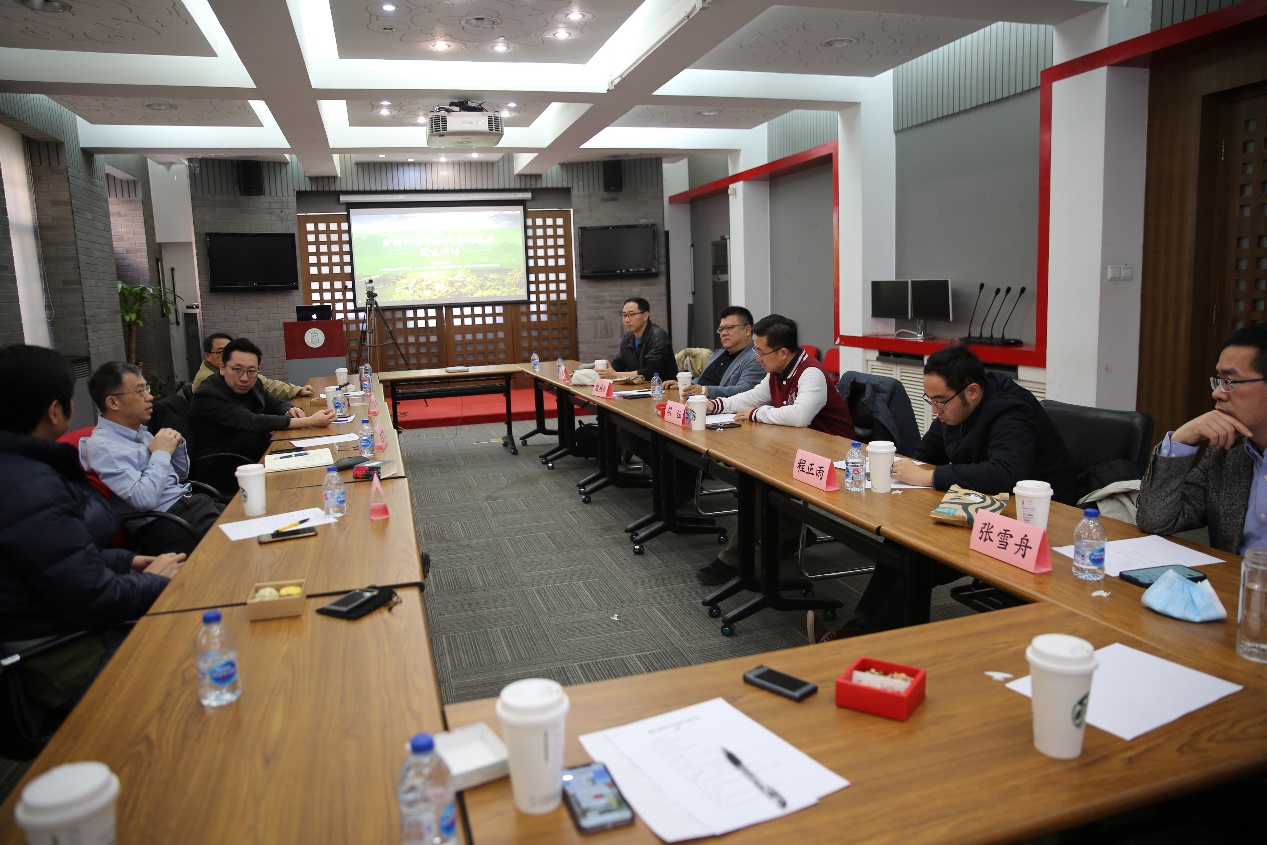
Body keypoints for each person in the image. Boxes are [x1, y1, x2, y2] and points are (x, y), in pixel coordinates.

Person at [811, 343, 1077, 641]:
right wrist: (900, 472)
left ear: (972, 391)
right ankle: (854, 631)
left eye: (940, 402)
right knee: (900, 543)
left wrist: (931, 477)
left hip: (1039, 520)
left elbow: (1006, 473)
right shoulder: (953, 409)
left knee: (918, 558)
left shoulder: (1011, 410)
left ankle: (859, 641)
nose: (935, 411)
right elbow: (926, 454)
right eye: (931, 401)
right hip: (982, 504)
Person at [0, 345, 184, 715]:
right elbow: (93, 598)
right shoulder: (30, 486)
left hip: (64, 626)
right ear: (55, 411)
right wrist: (153, 580)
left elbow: (58, 559)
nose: (148, 397)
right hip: (64, 655)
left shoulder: (23, 472)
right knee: (192, 651)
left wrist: (126, 561)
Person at [696, 314, 856, 586]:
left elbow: (800, 416)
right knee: (754, 475)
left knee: (760, 485)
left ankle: (734, 559)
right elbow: (751, 397)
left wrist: (757, 413)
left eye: (761, 352)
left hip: (834, 458)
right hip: (798, 448)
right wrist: (716, 405)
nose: (757, 358)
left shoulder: (811, 372)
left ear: (782, 352)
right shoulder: (776, 372)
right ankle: (788, 533)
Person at [1137, 323, 1267, 554]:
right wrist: (1180, 441)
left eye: (1230, 382)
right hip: (1231, 578)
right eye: (1219, 380)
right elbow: (1156, 520)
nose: (1217, 393)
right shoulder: (1227, 450)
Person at [79, 362, 224, 556]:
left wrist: (175, 447)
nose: (150, 397)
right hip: (169, 523)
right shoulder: (104, 447)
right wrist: (161, 453)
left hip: (191, 505)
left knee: (252, 519)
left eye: (146, 389)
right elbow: (143, 499)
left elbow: (179, 475)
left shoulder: (138, 432)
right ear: (113, 403)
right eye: (140, 392)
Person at [188, 337, 336, 464]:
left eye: (251, 371)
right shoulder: (207, 394)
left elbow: (274, 403)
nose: (244, 378)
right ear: (222, 368)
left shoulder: (252, 383)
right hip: (224, 462)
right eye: (237, 370)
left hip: (255, 452)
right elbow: (251, 421)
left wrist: (288, 410)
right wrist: (309, 421)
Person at [663, 306, 765, 399]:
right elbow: (705, 379)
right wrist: (685, 385)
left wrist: (706, 391)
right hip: (697, 401)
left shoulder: (756, 357)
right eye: (721, 329)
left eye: (729, 328)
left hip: (721, 408)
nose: (723, 333)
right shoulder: (720, 353)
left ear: (747, 330)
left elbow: (746, 390)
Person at [191, 332, 314, 400]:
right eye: (220, 352)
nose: (244, 378)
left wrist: (297, 391)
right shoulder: (207, 382)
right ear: (207, 356)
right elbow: (243, 417)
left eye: (230, 350)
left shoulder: (241, 373)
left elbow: (266, 385)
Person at [596, 297, 675, 383]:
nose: (627, 320)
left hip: (662, 388)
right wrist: (604, 372)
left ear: (645, 316)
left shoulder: (657, 336)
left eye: (631, 314)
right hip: (638, 388)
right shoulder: (628, 337)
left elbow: (651, 371)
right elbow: (618, 364)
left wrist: (616, 375)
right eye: (624, 315)